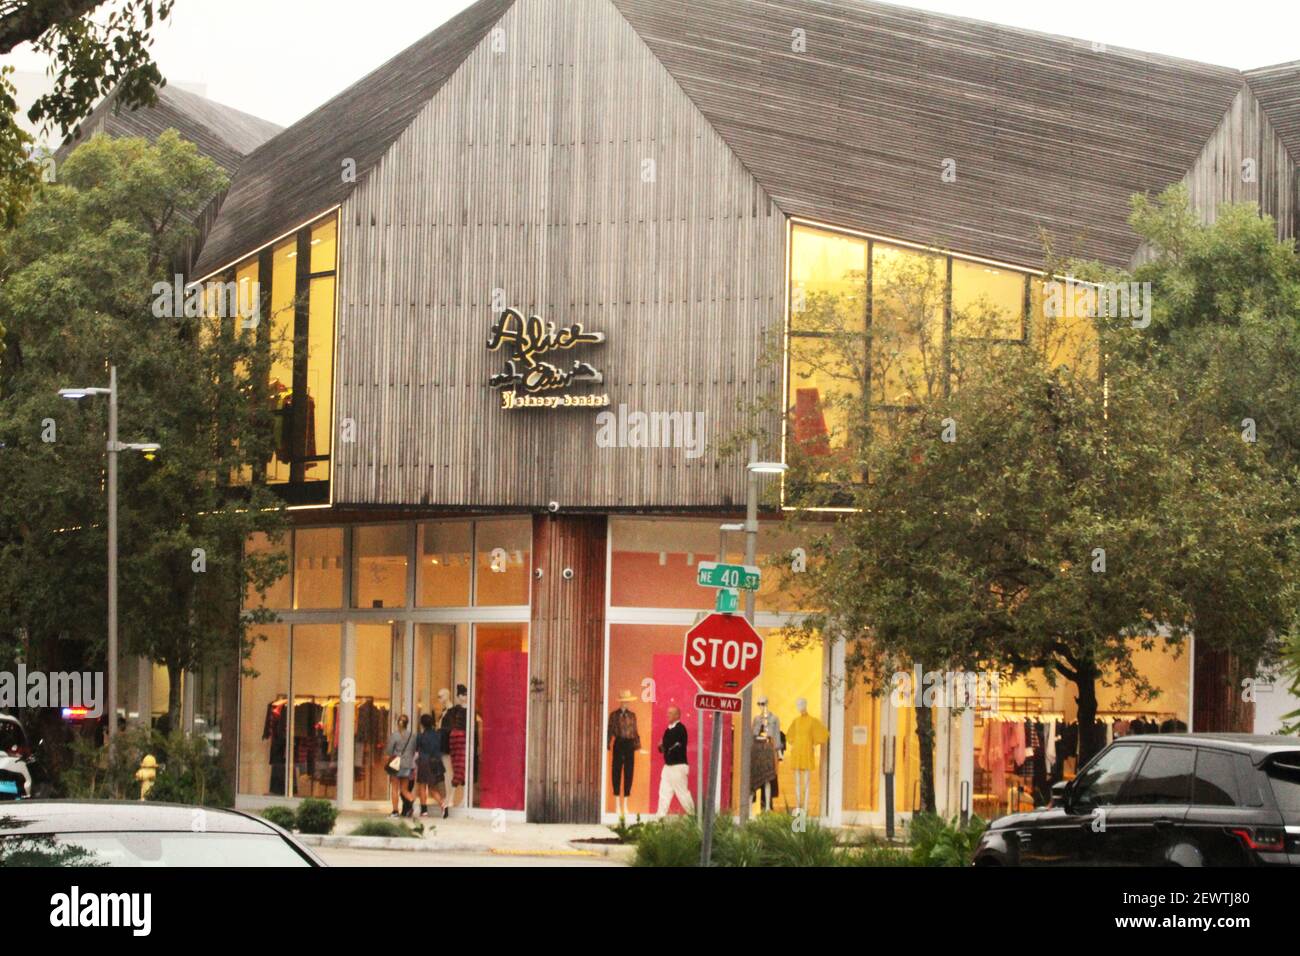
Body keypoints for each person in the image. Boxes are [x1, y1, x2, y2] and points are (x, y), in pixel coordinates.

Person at [656, 705, 694, 815]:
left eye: (671, 713)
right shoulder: (668, 729)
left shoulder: (680, 729)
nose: (668, 715)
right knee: (664, 793)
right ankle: (659, 819)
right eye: (668, 713)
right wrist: (664, 746)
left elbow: (666, 745)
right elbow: (662, 748)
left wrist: (664, 745)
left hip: (678, 766)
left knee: (682, 793)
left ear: (678, 715)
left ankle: (694, 816)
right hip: (668, 766)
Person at [415, 712, 447, 818]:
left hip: (424, 762)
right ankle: (443, 804)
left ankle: (424, 811)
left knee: (422, 787)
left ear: (422, 724)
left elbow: (416, 750)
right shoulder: (438, 735)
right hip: (436, 762)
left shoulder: (421, 736)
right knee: (433, 788)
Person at [386, 714, 417, 818]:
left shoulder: (395, 735)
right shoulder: (412, 735)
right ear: (407, 724)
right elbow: (413, 750)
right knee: (404, 789)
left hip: (396, 763)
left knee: (394, 788)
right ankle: (412, 800)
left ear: (398, 723)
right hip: (407, 764)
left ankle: (395, 811)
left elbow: (389, 751)